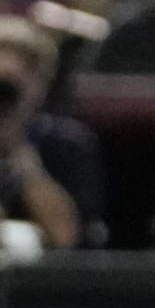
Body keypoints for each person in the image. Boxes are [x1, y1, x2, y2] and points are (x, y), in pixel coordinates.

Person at [0, 15, 104, 249]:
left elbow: (65, 237)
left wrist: (17, 150)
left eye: (14, 84)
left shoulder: (66, 144)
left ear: (41, 85)